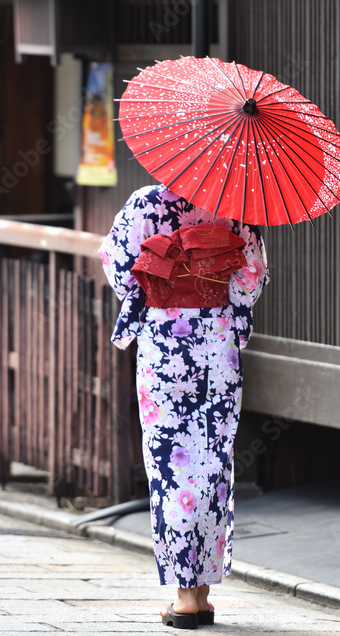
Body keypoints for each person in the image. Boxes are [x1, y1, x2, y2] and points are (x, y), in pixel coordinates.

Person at [98, 183, 269, 629]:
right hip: (216, 346)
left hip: (163, 346)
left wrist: (160, 291)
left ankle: (184, 597)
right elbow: (251, 279)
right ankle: (203, 594)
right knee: (212, 462)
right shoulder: (237, 209)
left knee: (170, 462)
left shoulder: (145, 203)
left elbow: (118, 265)